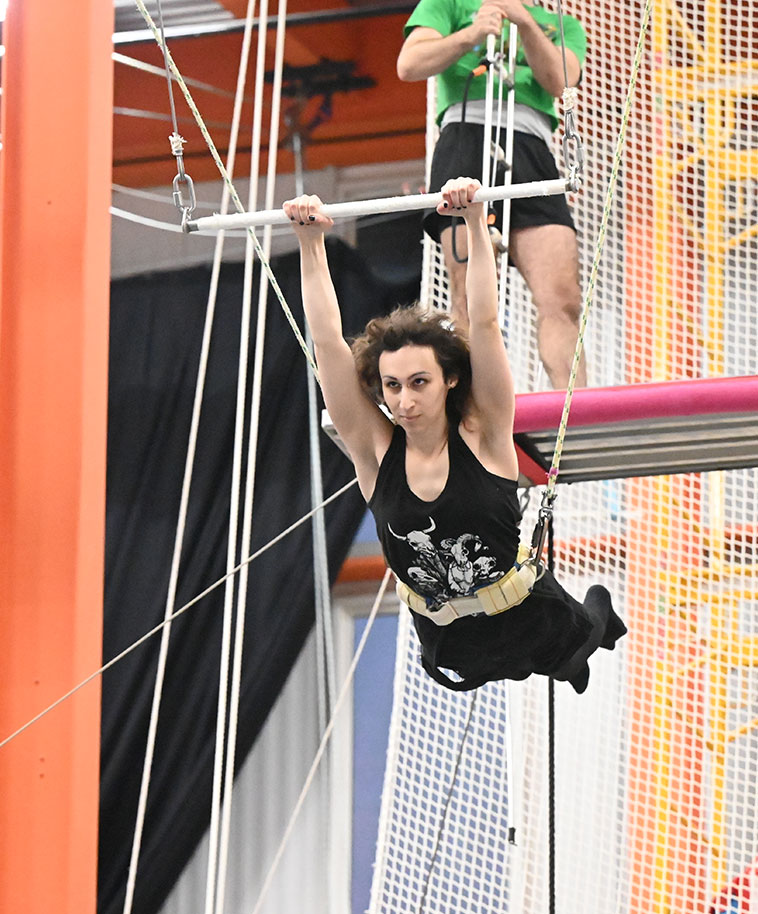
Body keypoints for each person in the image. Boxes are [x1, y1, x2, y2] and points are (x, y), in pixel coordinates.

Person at [283, 176, 625, 693]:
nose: (404, 401)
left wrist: (473, 223)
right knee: (553, 658)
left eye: (419, 383)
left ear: (450, 380)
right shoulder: (375, 451)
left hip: (533, 624)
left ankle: (595, 626)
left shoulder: (484, 432)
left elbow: (484, 323)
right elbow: (329, 343)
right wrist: (311, 243)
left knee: (580, 646)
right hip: (451, 649)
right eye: (392, 387)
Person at [397, 0, 587, 389]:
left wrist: (524, 22)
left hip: (532, 147)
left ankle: (574, 406)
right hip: (466, 136)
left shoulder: (560, 23)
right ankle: (474, 406)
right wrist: (472, 34)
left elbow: (561, 81)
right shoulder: (449, 4)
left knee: (562, 297)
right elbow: (409, 64)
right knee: (470, 294)